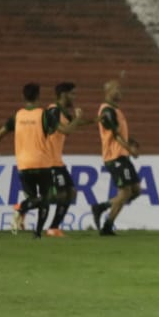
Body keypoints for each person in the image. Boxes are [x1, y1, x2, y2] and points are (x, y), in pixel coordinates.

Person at [0, 83, 58, 239]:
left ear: (23, 97)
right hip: (42, 163)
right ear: (39, 95)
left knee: (33, 199)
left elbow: (1, 133)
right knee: (45, 199)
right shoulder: (44, 114)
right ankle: (29, 220)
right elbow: (56, 131)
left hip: (23, 165)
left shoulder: (17, 116)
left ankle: (26, 213)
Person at [36, 82, 93, 236]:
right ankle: (24, 208)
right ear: (63, 95)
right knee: (61, 194)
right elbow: (66, 129)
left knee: (71, 192)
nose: (75, 97)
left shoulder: (62, 111)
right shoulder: (53, 110)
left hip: (57, 161)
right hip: (48, 160)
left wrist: (95, 120)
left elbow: (75, 123)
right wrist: (78, 118)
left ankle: (53, 227)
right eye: (72, 94)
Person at [91, 79, 141, 236]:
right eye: (117, 89)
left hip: (122, 156)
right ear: (108, 91)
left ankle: (102, 210)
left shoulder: (116, 110)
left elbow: (120, 134)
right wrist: (130, 149)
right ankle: (106, 223)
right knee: (125, 193)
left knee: (136, 191)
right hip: (115, 157)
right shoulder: (107, 111)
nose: (121, 92)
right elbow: (115, 135)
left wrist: (130, 143)